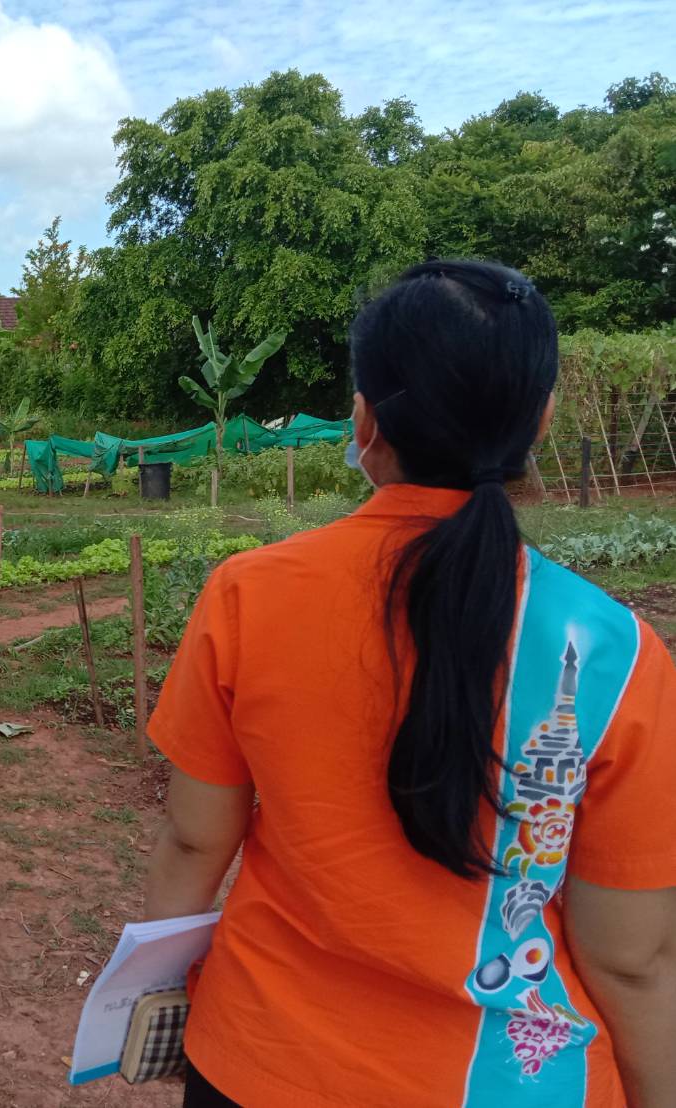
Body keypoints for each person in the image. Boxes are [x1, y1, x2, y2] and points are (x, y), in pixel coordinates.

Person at [142, 261, 676, 1108]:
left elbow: (195, 842)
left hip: (258, 1061)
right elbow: (631, 957)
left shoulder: (249, 595)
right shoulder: (612, 649)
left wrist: (147, 1000)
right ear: (538, 418)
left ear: (364, 419)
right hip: (509, 1083)